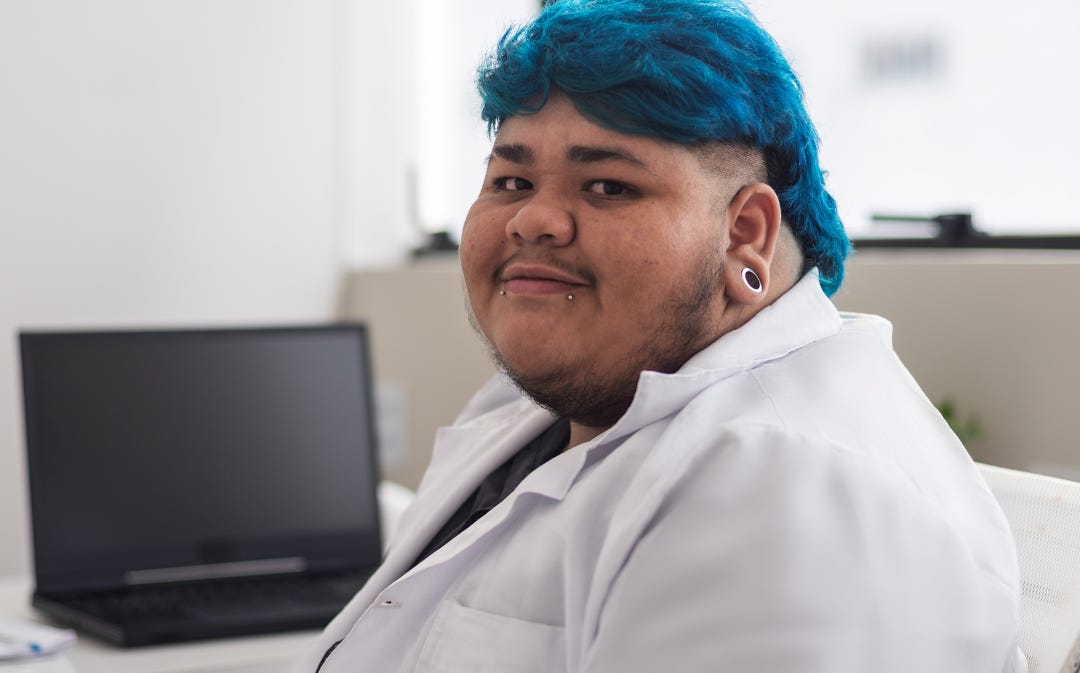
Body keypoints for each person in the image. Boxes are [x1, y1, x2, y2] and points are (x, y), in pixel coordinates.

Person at [294, 1, 1023, 671]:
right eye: (511, 181)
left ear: (746, 234)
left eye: (608, 186)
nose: (532, 219)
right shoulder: (556, 399)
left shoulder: (785, 491)